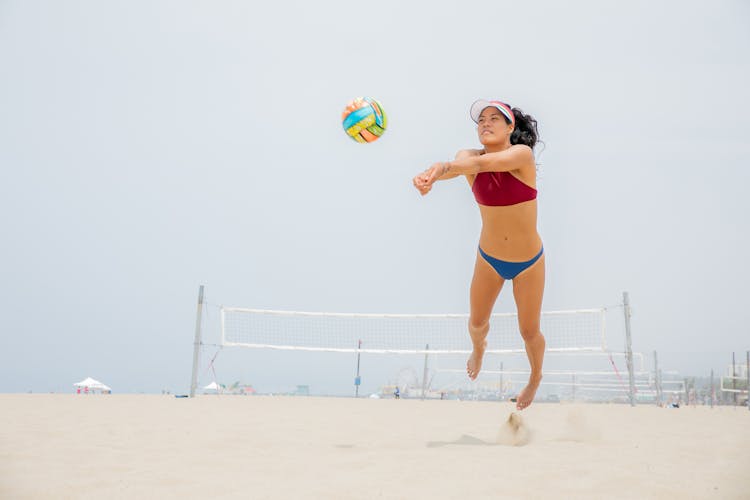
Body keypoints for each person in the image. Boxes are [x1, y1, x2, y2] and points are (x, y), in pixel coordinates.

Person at [412, 99, 545, 411]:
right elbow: (463, 166)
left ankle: (535, 377)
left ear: (510, 127)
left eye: (494, 119)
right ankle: (479, 349)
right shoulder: (467, 156)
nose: (485, 123)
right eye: (481, 120)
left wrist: (439, 168)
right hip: (489, 258)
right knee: (476, 324)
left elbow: (482, 166)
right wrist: (431, 176)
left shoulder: (521, 155)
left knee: (529, 331)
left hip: (530, 262)